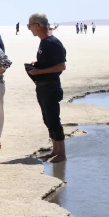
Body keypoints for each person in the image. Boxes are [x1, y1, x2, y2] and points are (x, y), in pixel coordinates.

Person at [26, 13, 67, 163]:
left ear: (37, 25)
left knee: (54, 119)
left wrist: (39, 71)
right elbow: (51, 62)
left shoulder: (52, 42)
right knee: (47, 119)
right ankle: (54, 151)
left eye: (29, 25)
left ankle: (61, 154)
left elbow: (61, 66)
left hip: (51, 87)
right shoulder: (44, 42)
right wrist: (38, 64)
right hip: (43, 86)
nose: (29, 28)